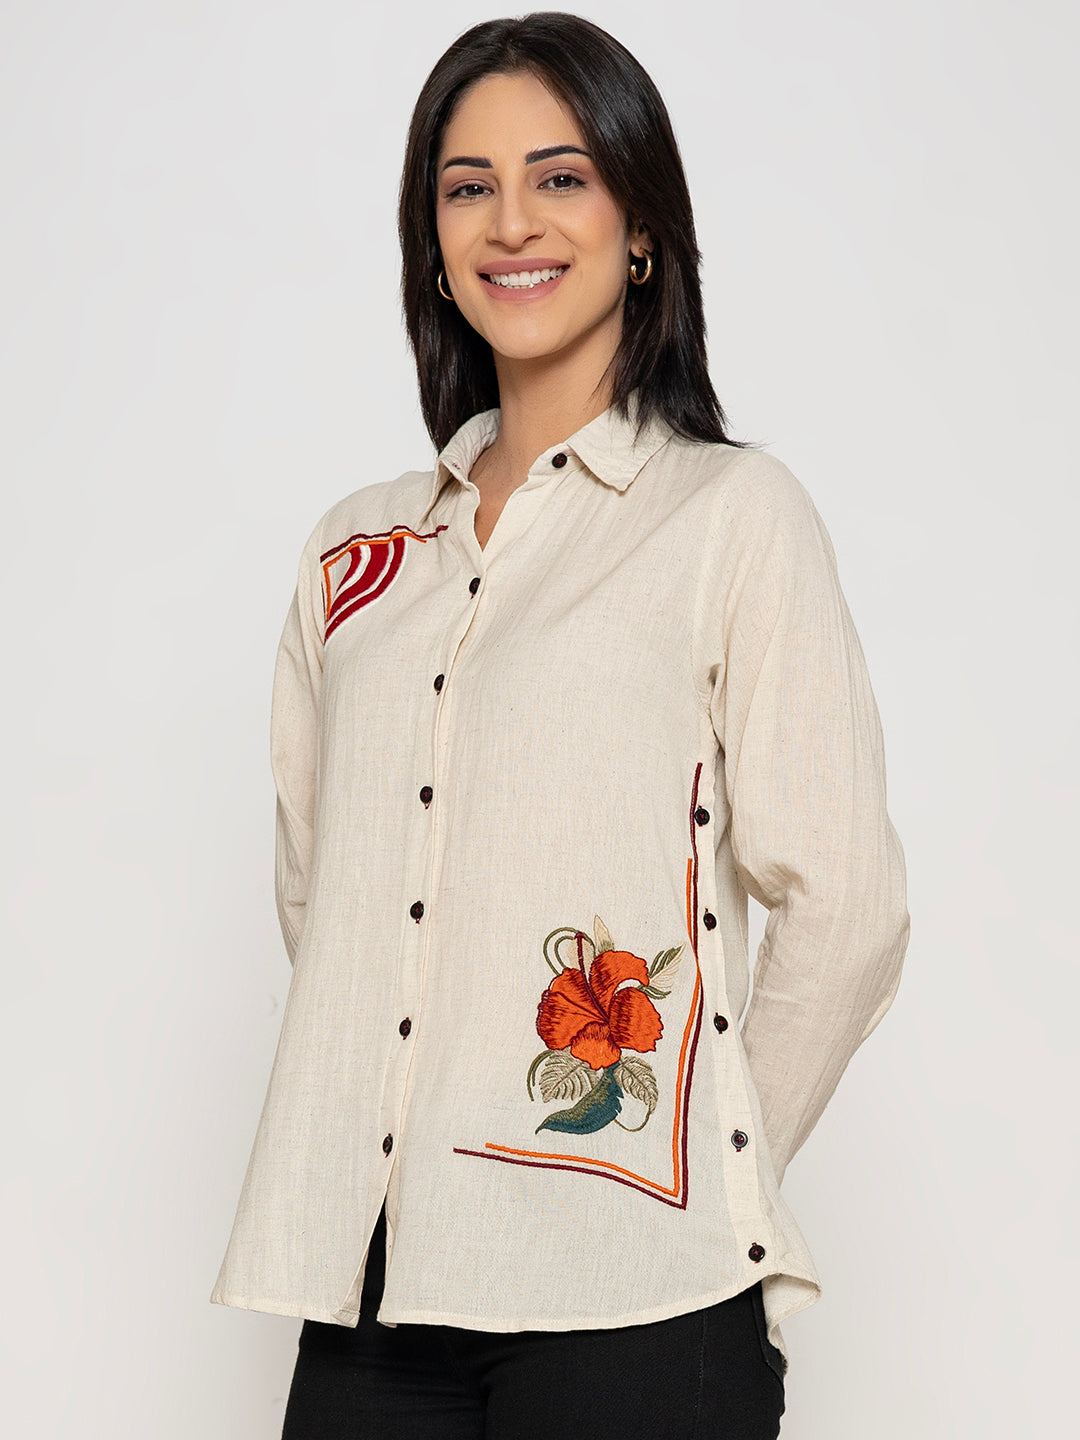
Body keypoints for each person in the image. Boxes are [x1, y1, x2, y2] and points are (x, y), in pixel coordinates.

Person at [210, 12, 910, 1438]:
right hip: (374, 1291)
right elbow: (326, 897)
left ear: (641, 225)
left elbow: (848, 908)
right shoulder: (357, 557)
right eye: (467, 186)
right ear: (432, 240)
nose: (511, 222)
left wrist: (697, 1180)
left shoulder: (730, 519)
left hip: (638, 1306)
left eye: (561, 177)